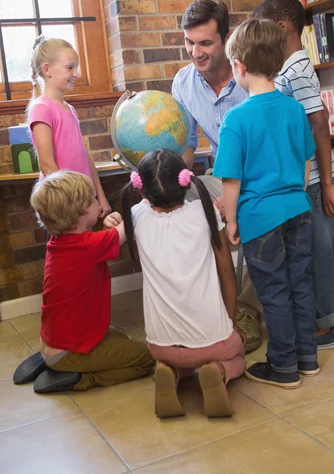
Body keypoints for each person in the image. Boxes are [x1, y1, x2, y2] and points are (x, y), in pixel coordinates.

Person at [213, 18, 319, 388]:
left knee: (273, 291)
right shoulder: (293, 110)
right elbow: (306, 162)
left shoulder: (235, 119)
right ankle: (308, 358)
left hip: (261, 218)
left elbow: (231, 180)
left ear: (239, 67)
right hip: (299, 210)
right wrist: (294, 194)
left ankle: (284, 366)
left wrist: (230, 222)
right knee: (301, 285)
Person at [104, 149, 245, 418]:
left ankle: (169, 370)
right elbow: (226, 272)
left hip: (161, 345)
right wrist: (228, 320)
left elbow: (113, 238)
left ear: (141, 190)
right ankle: (219, 372)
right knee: (238, 350)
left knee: (179, 356)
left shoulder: (135, 217)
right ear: (186, 181)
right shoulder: (204, 212)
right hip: (211, 342)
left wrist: (110, 220)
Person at [253, 0, 334, 349]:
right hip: (307, 177)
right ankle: (327, 317)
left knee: (318, 250)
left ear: (282, 28)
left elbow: (319, 126)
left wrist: (325, 184)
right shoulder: (289, 68)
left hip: (315, 179)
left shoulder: (297, 69)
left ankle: (322, 325)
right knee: (316, 249)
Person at [172, 0, 262, 353]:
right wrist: (182, 186)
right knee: (179, 199)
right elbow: (186, 146)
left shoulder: (250, 77)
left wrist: (232, 200)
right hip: (222, 176)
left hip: (258, 179)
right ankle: (206, 304)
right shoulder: (183, 82)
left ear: (225, 39)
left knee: (255, 210)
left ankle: (248, 310)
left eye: (206, 43)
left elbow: (264, 151)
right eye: (190, 43)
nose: (196, 52)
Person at [15, 170, 155, 393]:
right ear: (82, 210)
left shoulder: (59, 242)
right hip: (69, 351)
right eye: (93, 199)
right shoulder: (89, 247)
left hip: (55, 340)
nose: (96, 202)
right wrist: (146, 202)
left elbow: (102, 241)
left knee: (120, 336)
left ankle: (53, 360)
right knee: (146, 359)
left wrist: (109, 225)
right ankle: (80, 378)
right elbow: (129, 226)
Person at [27, 35, 111, 217]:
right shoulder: (41, 108)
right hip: (64, 204)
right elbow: (48, 165)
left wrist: (100, 197)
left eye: (77, 67)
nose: (77, 74)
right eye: (70, 68)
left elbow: (84, 156)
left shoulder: (70, 109)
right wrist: (73, 201)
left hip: (83, 201)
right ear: (47, 69)